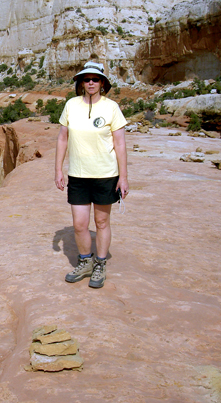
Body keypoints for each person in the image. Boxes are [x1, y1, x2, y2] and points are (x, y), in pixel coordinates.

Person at [54, 61, 129, 288]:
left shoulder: (111, 107)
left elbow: (120, 143)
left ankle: (100, 263)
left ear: (102, 83)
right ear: (80, 82)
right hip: (78, 174)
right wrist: (58, 169)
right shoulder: (71, 105)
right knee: (79, 224)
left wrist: (123, 177)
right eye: (86, 79)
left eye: (95, 79)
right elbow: (62, 138)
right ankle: (85, 261)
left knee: (102, 221)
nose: (90, 83)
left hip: (105, 174)